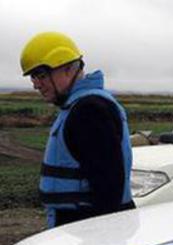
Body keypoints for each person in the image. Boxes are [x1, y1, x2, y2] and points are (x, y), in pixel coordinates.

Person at [20, 32, 135, 228]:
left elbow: (108, 191)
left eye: (41, 75)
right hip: (80, 229)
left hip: (88, 233)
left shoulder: (89, 111)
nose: (36, 84)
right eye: (33, 77)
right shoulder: (78, 106)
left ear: (68, 69)